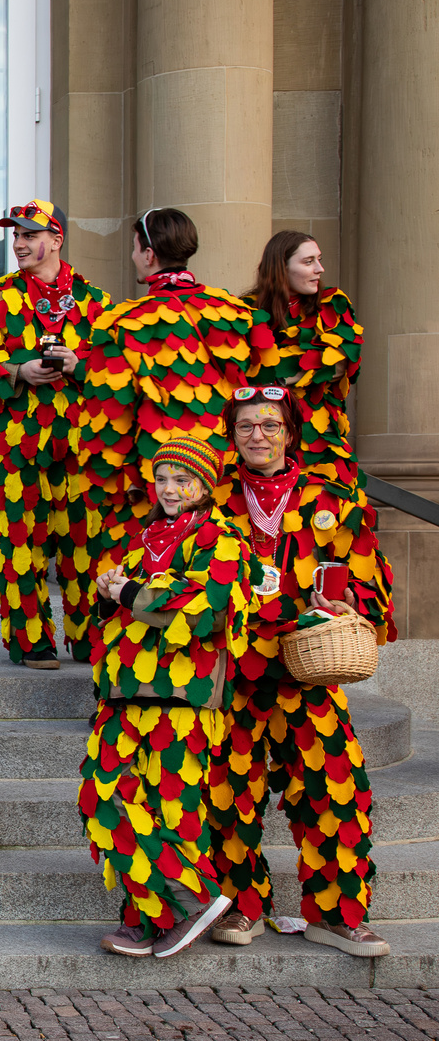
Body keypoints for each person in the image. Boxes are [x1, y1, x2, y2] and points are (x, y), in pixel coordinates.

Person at [207, 387, 395, 956]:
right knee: (228, 794)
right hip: (235, 670)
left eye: (269, 425)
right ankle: (242, 907)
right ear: (231, 434)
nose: (257, 435)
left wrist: (351, 604)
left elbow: (368, 572)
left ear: (290, 433)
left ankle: (336, 916)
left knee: (334, 791)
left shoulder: (330, 497)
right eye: (244, 426)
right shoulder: (209, 499)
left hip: (308, 670)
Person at [81, 436, 251, 958]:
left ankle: (150, 922)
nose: (171, 489)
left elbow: (198, 611)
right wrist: (110, 588)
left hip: (182, 700)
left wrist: (127, 592)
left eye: (183, 479)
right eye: (163, 479)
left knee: (176, 815)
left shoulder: (221, 538)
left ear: (205, 485)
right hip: (123, 696)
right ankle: (191, 902)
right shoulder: (144, 542)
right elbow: (124, 612)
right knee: (102, 799)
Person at [0, 200, 114, 668]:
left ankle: (89, 641)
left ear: (56, 239)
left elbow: (119, 376)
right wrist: (17, 370)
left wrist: (79, 367)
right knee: (19, 543)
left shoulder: (96, 302)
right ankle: (31, 644)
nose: (19, 244)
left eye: (29, 234)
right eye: (15, 236)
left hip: (82, 446)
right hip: (12, 448)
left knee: (86, 544)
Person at [78, 207, 253, 584]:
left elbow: (109, 422)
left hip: (151, 486)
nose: (132, 257)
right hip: (220, 477)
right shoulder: (235, 314)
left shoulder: (121, 323)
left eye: (134, 247)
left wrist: (112, 490)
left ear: (148, 254)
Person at [242, 232, 364, 486]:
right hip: (256, 437)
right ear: (280, 267)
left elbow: (340, 363)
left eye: (319, 260)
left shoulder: (332, 304)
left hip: (317, 436)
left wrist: (272, 376)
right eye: (308, 262)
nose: (320, 269)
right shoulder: (244, 310)